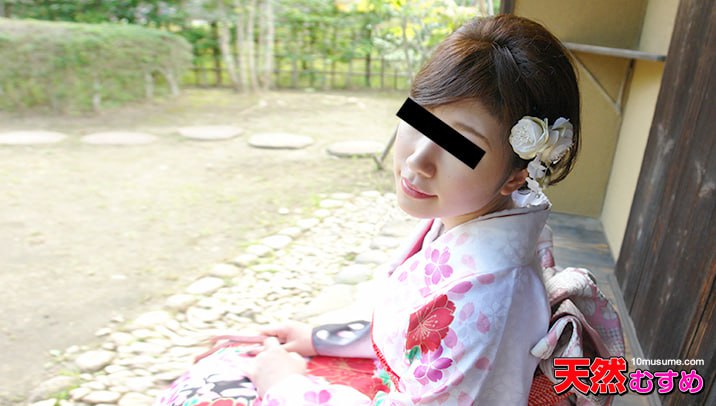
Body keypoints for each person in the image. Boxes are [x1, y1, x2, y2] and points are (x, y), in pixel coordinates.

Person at [156, 13, 584, 405]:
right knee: (229, 362)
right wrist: (320, 338)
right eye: (419, 118)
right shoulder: (464, 220)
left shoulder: (492, 290)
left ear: (515, 176)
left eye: (461, 146)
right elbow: (413, 331)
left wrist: (285, 386)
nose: (417, 160)